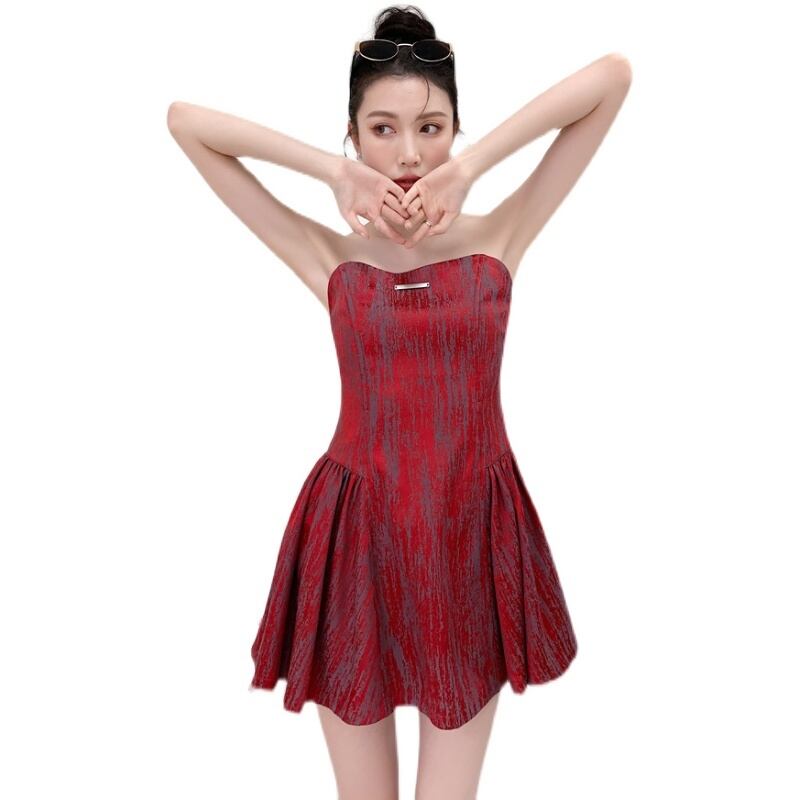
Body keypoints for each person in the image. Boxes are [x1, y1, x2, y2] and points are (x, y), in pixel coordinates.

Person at [168, 5, 632, 799]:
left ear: (455, 131)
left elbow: (611, 79)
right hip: (354, 539)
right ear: (353, 134)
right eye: (381, 129)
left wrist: (471, 166)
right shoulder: (330, 255)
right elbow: (187, 124)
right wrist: (331, 171)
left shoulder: (503, 233)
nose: (409, 153)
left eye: (431, 128)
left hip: (470, 534)